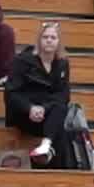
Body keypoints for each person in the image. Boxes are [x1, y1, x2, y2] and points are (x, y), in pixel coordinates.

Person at [7, 22, 72, 166]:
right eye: (45, 37)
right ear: (39, 40)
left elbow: (64, 94)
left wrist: (44, 108)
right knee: (60, 127)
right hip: (25, 115)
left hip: (48, 115)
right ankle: (53, 164)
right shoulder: (22, 61)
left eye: (53, 38)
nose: (49, 40)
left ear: (59, 42)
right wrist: (30, 108)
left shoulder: (63, 63)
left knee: (61, 109)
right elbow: (11, 93)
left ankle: (46, 146)